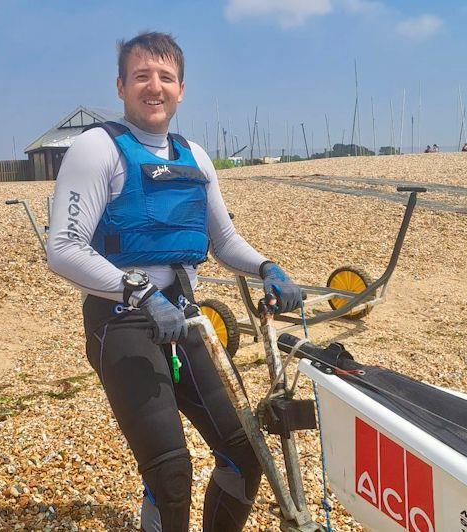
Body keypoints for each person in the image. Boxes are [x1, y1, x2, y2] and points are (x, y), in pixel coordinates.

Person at [46, 32, 303, 532]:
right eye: (141, 75)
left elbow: (223, 240)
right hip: (120, 323)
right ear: (121, 85)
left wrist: (268, 267)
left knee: (247, 456)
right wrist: (138, 292)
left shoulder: (195, 158)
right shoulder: (97, 149)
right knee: (172, 476)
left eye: (166, 77)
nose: (154, 87)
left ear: (181, 89)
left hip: (185, 320)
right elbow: (64, 249)